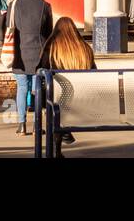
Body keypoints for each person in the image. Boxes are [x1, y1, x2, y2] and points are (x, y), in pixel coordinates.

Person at [38, 16, 95, 151]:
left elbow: (41, 71)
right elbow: (94, 74)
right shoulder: (85, 49)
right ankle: (64, 130)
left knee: (54, 107)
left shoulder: (51, 48)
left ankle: (60, 137)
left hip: (57, 102)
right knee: (62, 106)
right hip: (83, 101)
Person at [9, 0, 52, 137]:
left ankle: (21, 125)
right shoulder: (45, 6)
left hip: (19, 53)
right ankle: (36, 127)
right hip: (38, 54)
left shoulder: (14, 5)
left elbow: (9, 27)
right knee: (36, 90)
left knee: (21, 88)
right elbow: (49, 33)